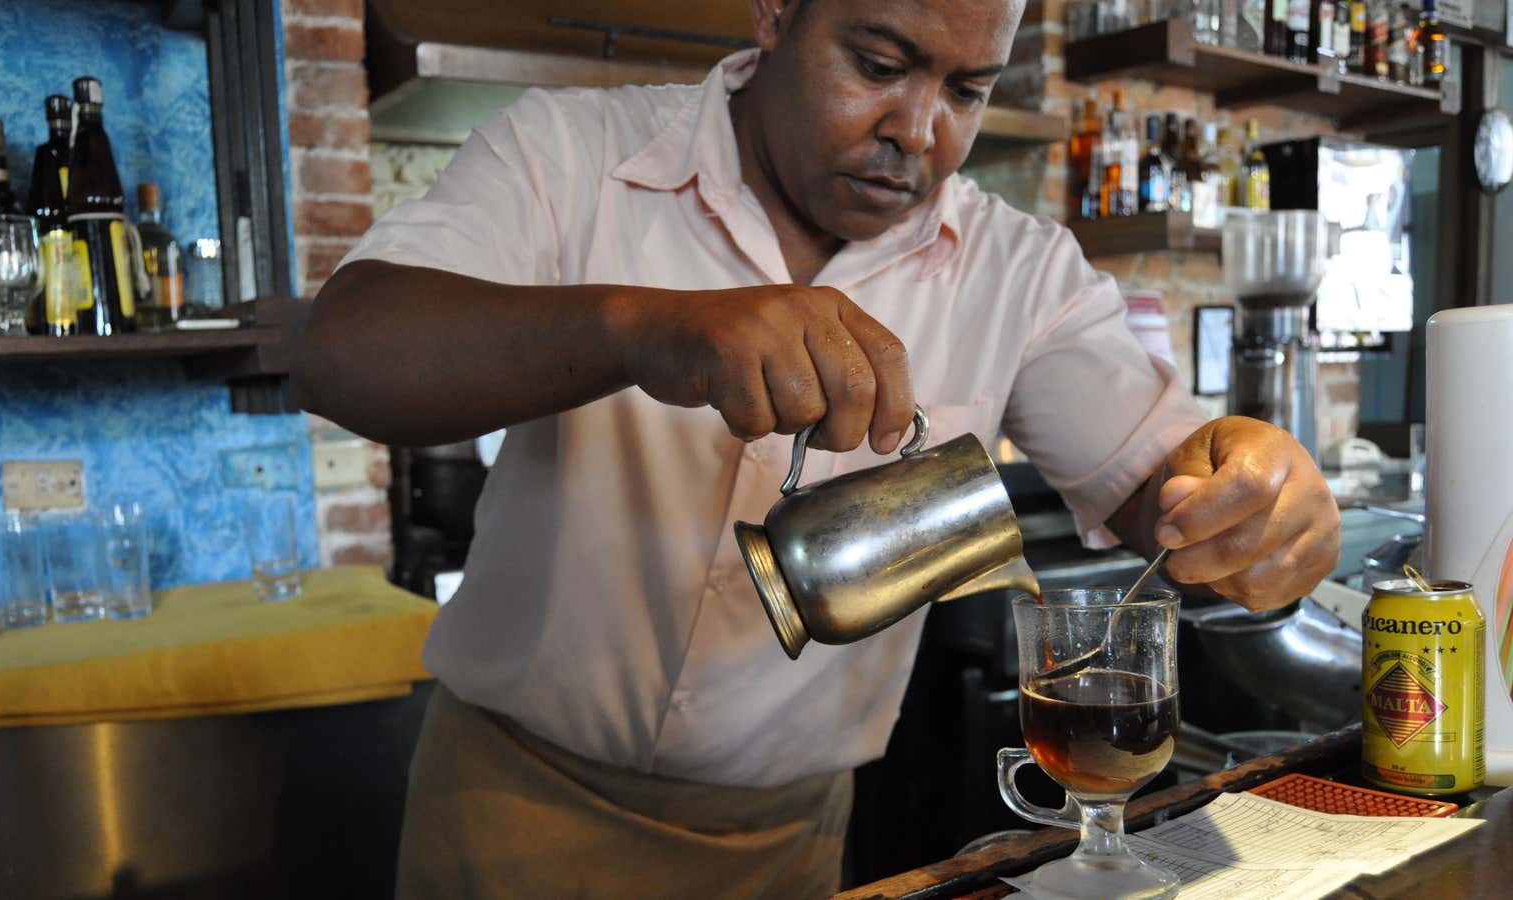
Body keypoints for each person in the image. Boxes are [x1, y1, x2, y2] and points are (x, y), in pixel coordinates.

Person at [292, 0, 1341, 896]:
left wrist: (1252, 490)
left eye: (967, 91)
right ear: (775, 9)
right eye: (877, 67)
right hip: (510, 813)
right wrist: (639, 327)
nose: (918, 132)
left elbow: (1165, 483)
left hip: (784, 848)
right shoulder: (569, 155)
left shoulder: (1018, 272)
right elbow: (345, 352)